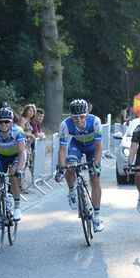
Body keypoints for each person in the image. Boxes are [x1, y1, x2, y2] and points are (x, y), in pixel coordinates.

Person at [56, 99, 105, 232]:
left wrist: (96, 165)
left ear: (87, 115)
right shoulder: (65, 125)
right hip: (76, 146)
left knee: (95, 178)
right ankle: (72, 191)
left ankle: (97, 217)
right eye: (75, 118)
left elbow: (99, 147)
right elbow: (62, 149)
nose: (78, 120)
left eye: (82, 117)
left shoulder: (95, 121)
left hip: (92, 148)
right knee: (70, 166)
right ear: (70, 116)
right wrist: (60, 168)